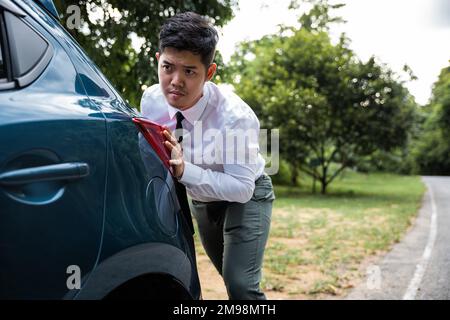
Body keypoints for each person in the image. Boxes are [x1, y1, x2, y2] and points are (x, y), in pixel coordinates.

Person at [140, 11, 275, 300]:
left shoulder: (235, 118)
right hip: (202, 199)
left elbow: (241, 187)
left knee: (240, 286)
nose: (175, 81)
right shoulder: (151, 100)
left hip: (247, 194)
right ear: (158, 60)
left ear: (209, 72)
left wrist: (184, 171)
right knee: (224, 276)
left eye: (189, 71)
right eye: (168, 67)